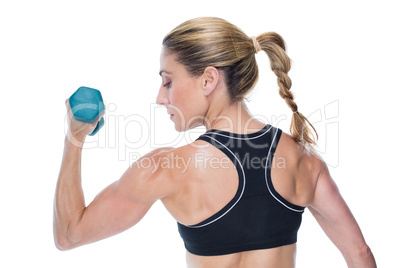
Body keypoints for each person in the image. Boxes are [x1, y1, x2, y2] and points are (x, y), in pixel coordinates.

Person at [53, 17, 376, 267]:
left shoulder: (167, 168)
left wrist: (75, 137)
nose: (160, 98)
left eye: (168, 82)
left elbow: (69, 235)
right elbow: (359, 254)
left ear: (208, 79)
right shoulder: (304, 159)